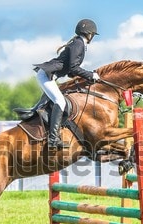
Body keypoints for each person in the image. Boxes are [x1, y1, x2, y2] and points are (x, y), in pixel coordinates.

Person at [33, 19, 100, 150]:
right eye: (92, 34)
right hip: (46, 75)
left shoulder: (79, 43)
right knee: (60, 101)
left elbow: (70, 70)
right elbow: (74, 68)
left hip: (49, 75)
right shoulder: (79, 43)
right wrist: (91, 75)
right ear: (89, 33)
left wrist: (87, 77)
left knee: (58, 101)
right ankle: (53, 140)